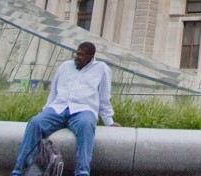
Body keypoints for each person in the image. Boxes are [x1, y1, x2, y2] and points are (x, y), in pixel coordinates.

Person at [10, 42, 120, 176]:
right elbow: (53, 93)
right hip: (58, 108)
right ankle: (19, 170)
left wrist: (109, 121)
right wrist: (45, 111)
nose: (77, 57)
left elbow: (104, 97)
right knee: (35, 123)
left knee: (86, 125)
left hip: (83, 110)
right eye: (77, 53)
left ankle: (82, 172)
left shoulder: (102, 69)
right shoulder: (64, 66)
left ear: (91, 56)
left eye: (82, 55)